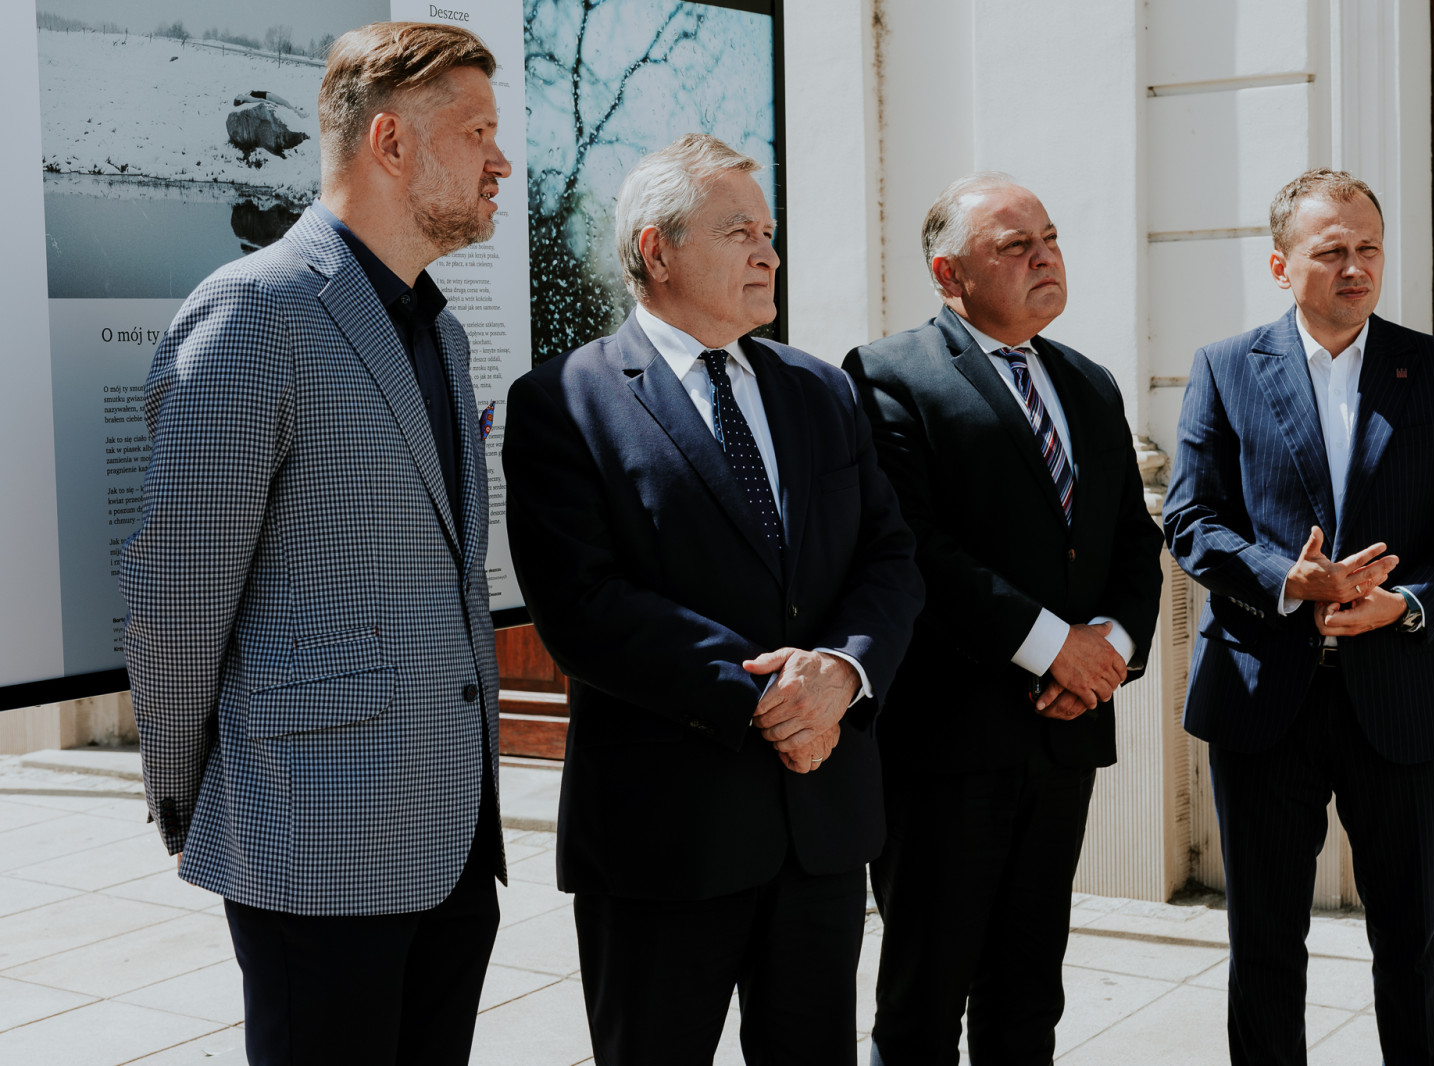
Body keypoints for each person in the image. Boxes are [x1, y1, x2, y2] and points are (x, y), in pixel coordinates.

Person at [119, 22, 511, 1065]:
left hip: (454, 840)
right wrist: (191, 794)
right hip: (313, 844)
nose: (501, 162)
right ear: (391, 142)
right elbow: (178, 593)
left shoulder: (440, 329)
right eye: (477, 132)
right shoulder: (254, 312)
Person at [500, 133, 923, 1066]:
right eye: (740, 232)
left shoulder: (820, 389)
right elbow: (582, 606)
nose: (768, 253)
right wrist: (771, 697)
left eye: (769, 233)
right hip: (663, 837)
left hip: (819, 826)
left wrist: (842, 672)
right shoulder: (563, 400)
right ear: (657, 250)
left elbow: (889, 557)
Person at [1163, 168, 1434, 1065]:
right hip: (1262, 697)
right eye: (1331, 252)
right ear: (1281, 266)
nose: (1356, 268)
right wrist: (1288, 579)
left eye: (1368, 249)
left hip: (1401, 694)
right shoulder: (1226, 367)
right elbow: (1191, 519)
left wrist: (1409, 603)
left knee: (1413, 937)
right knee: (1265, 944)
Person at [843, 173, 1165, 1064]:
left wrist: (1110, 649)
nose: (1045, 257)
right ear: (950, 274)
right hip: (945, 745)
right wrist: (1054, 648)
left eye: (1050, 238)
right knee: (923, 1002)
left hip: (1064, 736)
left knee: (1028, 999)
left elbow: (1132, 539)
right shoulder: (888, 374)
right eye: (1015, 246)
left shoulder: (1088, 381)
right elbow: (914, 546)